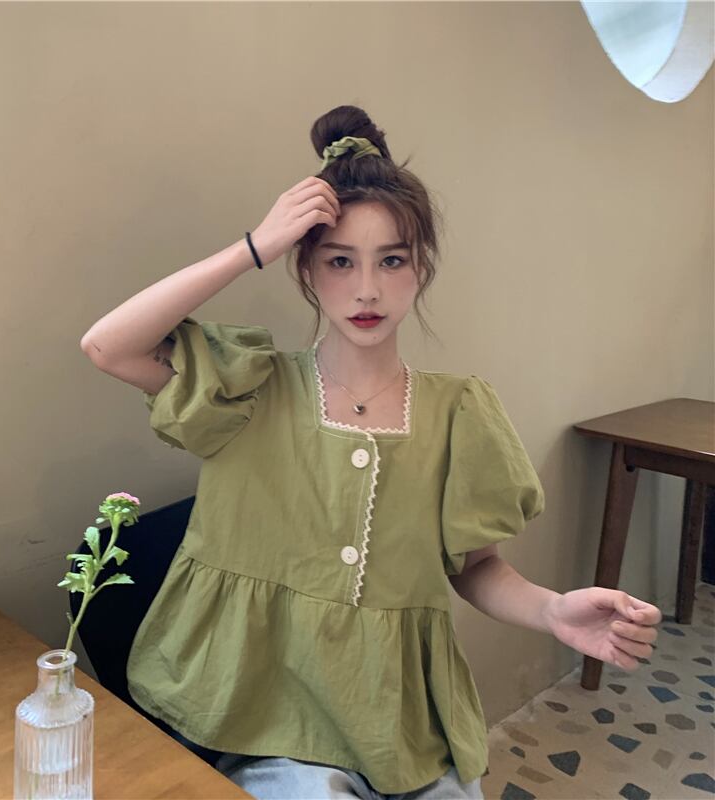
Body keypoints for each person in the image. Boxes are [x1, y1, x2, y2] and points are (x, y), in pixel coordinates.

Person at [80, 105, 662, 800]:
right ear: (307, 268)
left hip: (403, 725)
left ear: (421, 269)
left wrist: (552, 611)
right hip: (269, 721)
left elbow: (476, 567)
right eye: (339, 260)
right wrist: (254, 246)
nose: (366, 289)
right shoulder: (247, 390)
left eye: (392, 260)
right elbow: (108, 346)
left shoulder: (460, 412)